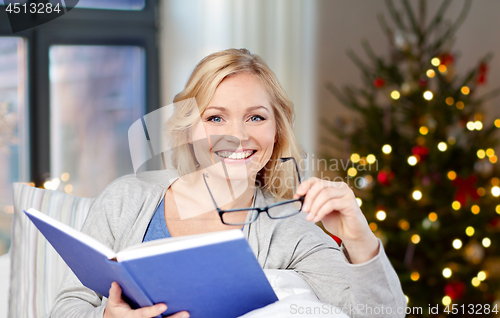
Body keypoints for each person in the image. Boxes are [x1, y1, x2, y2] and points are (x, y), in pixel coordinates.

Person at [51, 48, 406, 318]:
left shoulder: (290, 230)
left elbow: (380, 314)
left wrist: (359, 237)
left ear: (277, 130)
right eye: (216, 117)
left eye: (255, 117)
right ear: (189, 128)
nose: (237, 136)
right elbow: (68, 304)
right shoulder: (126, 199)